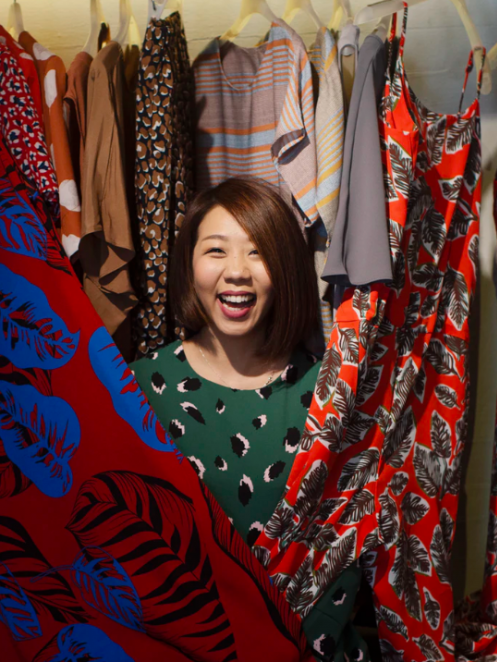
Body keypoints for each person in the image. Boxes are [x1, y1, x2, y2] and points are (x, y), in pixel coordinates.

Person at [131, 178, 367, 661]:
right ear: (189, 263)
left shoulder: (328, 394)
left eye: (257, 253)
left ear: (283, 269)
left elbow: (346, 554)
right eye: (216, 250)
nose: (236, 272)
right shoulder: (137, 389)